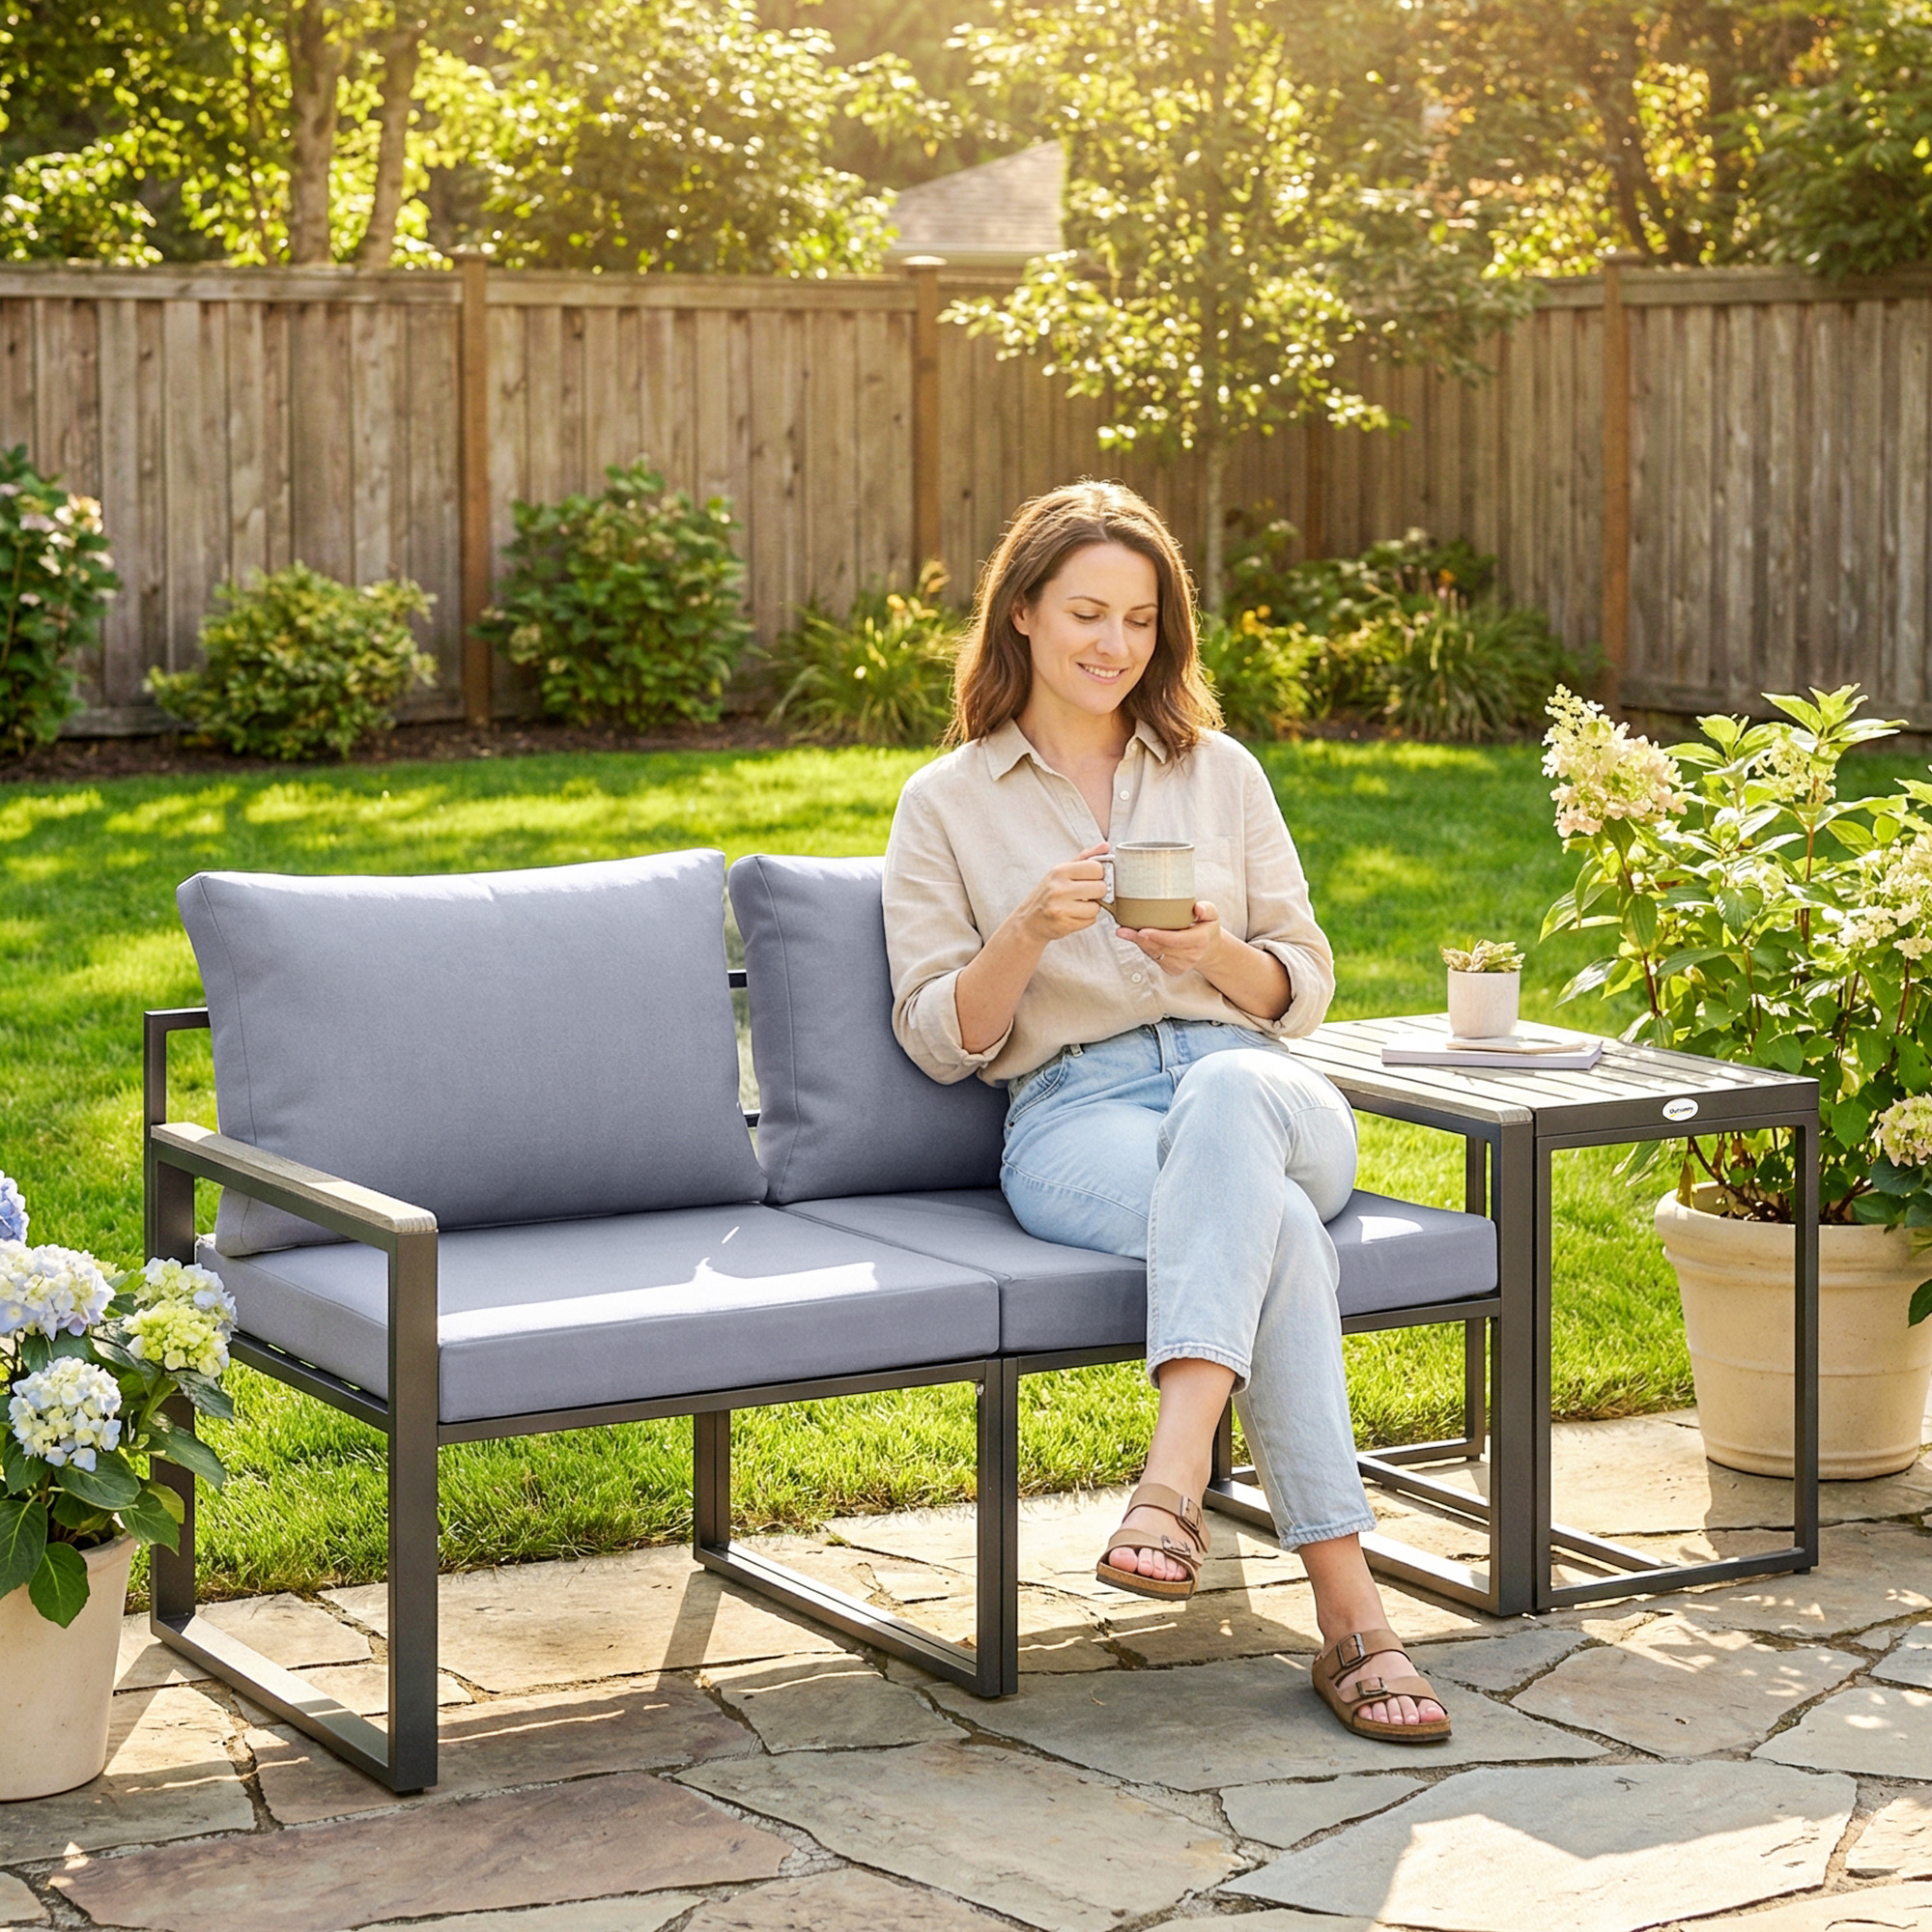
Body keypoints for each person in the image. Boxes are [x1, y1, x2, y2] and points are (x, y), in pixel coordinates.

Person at [881, 481, 1451, 1742]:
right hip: (1076, 1117)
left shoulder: (1221, 772)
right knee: (1280, 1240)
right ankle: (1354, 1622)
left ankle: (1172, 1474)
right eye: (1087, 612)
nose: (1114, 645)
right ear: (1022, 613)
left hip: (1261, 1088)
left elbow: (1301, 985)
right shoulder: (947, 803)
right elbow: (941, 1038)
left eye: (1141, 619)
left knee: (1235, 1083)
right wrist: (1023, 931)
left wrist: (1217, 964)